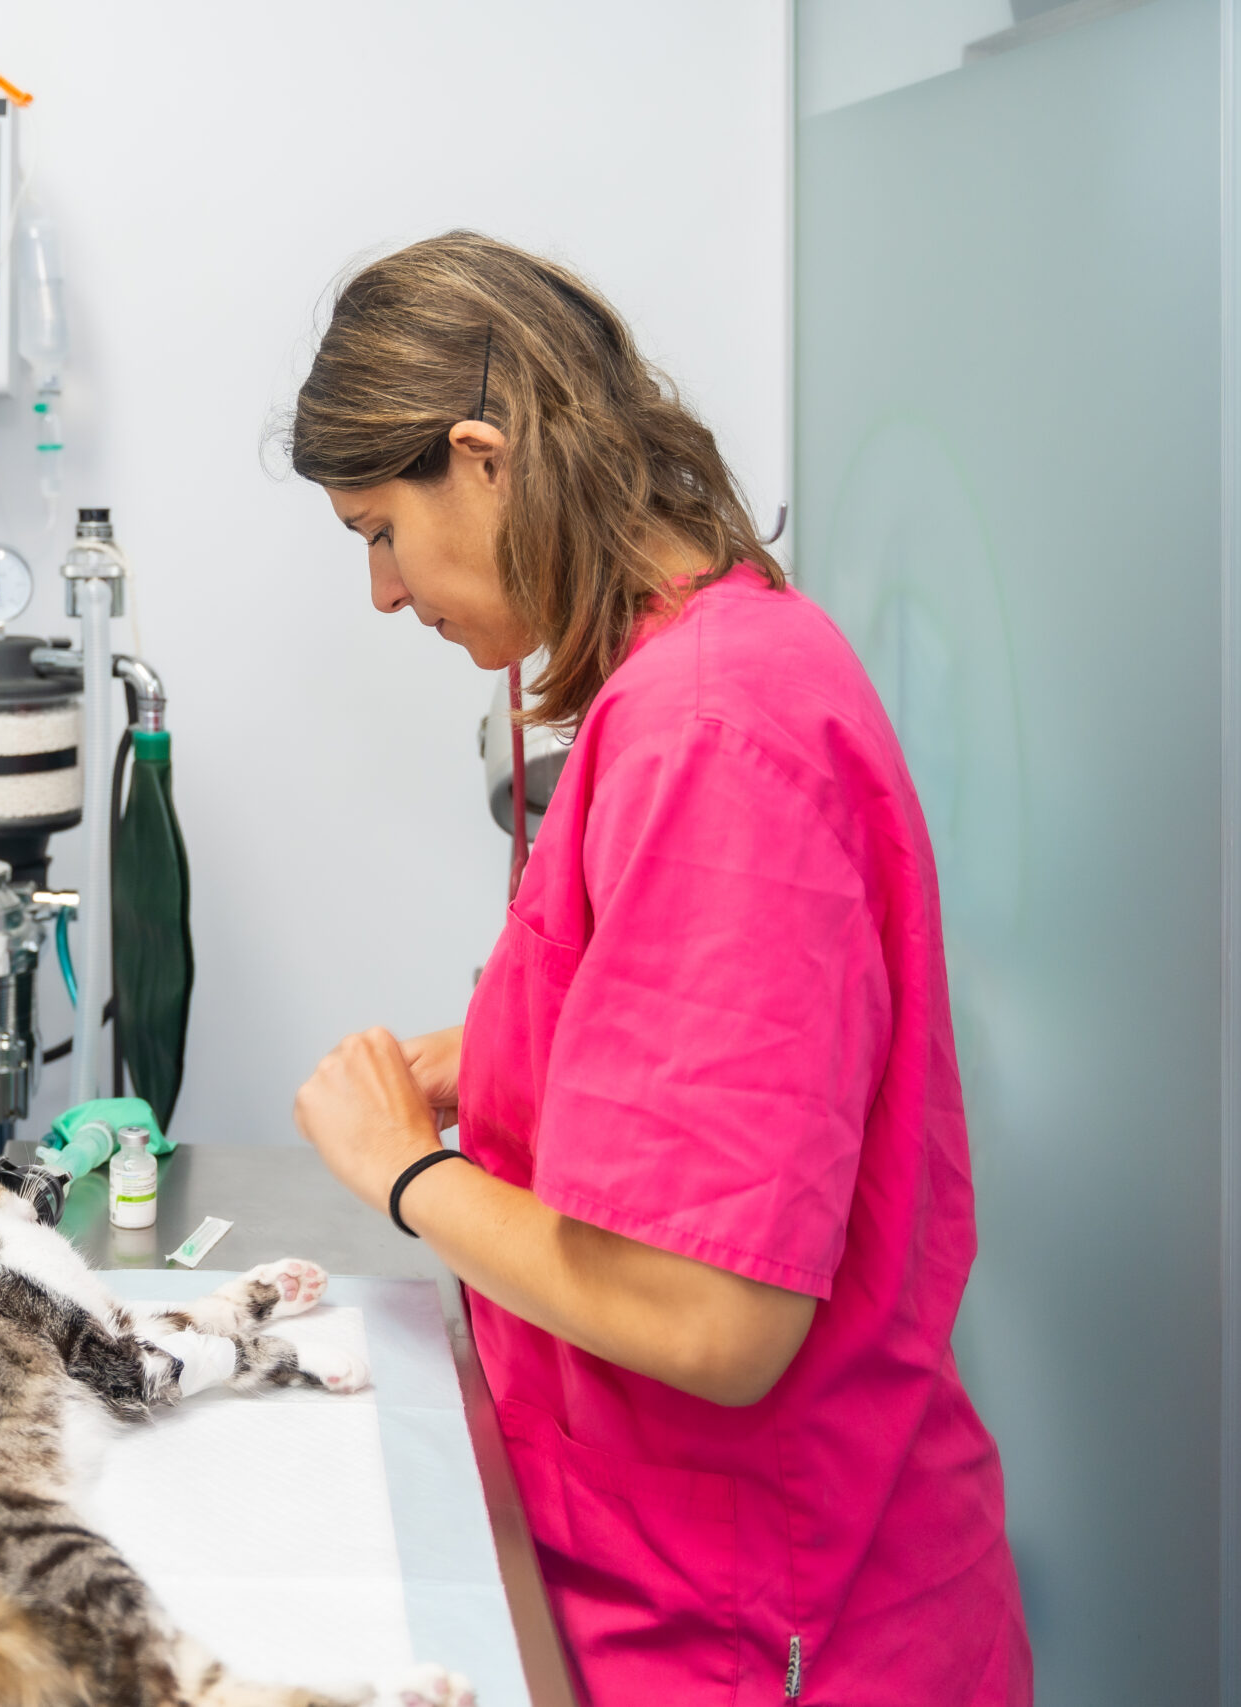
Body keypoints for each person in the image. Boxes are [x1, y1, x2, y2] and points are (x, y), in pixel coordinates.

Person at [285, 234, 1030, 1706]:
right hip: (691, 1581)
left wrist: (401, 1174)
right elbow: (706, 1055)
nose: (381, 591)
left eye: (379, 529)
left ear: (483, 460)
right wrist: (489, 1051)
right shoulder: (707, 673)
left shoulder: (711, 736)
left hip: (769, 1634)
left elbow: (713, 1320)